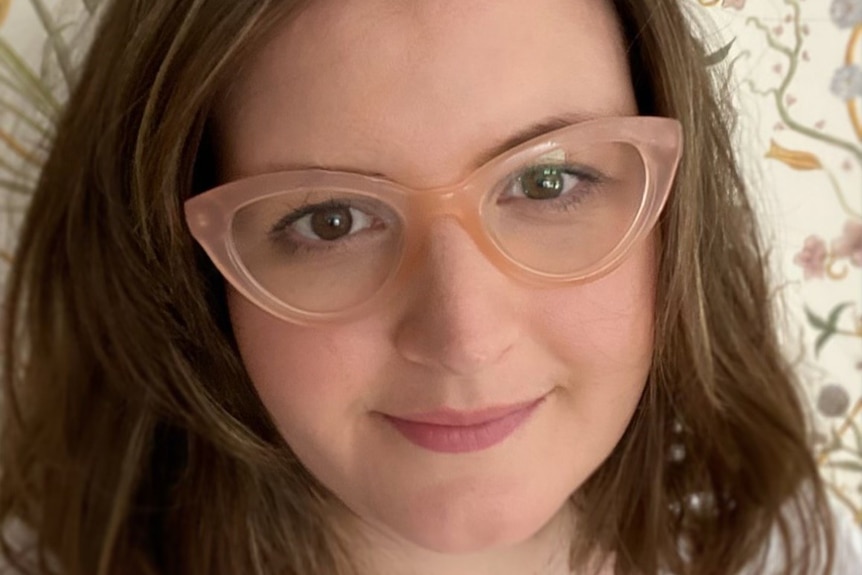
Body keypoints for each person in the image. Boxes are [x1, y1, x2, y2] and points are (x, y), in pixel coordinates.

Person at [0, 0, 857, 573]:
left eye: (548, 183)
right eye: (329, 219)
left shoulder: (786, 549)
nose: (465, 335)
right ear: (189, 277)